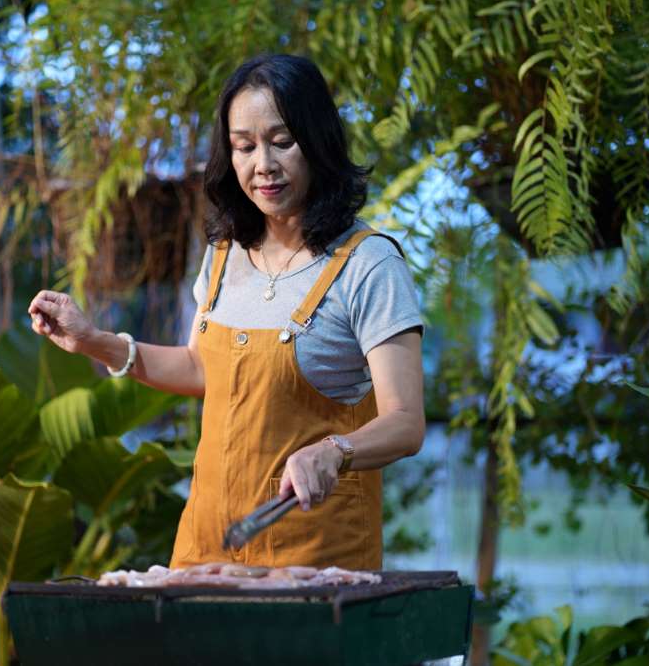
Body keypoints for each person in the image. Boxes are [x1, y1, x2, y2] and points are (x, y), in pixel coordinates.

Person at [28, 53, 424, 571]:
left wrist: (335, 450)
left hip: (314, 564)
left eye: (282, 142)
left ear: (319, 141)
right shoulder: (223, 254)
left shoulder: (370, 265)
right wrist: (93, 341)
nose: (263, 164)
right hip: (207, 549)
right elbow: (201, 369)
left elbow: (405, 422)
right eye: (244, 146)